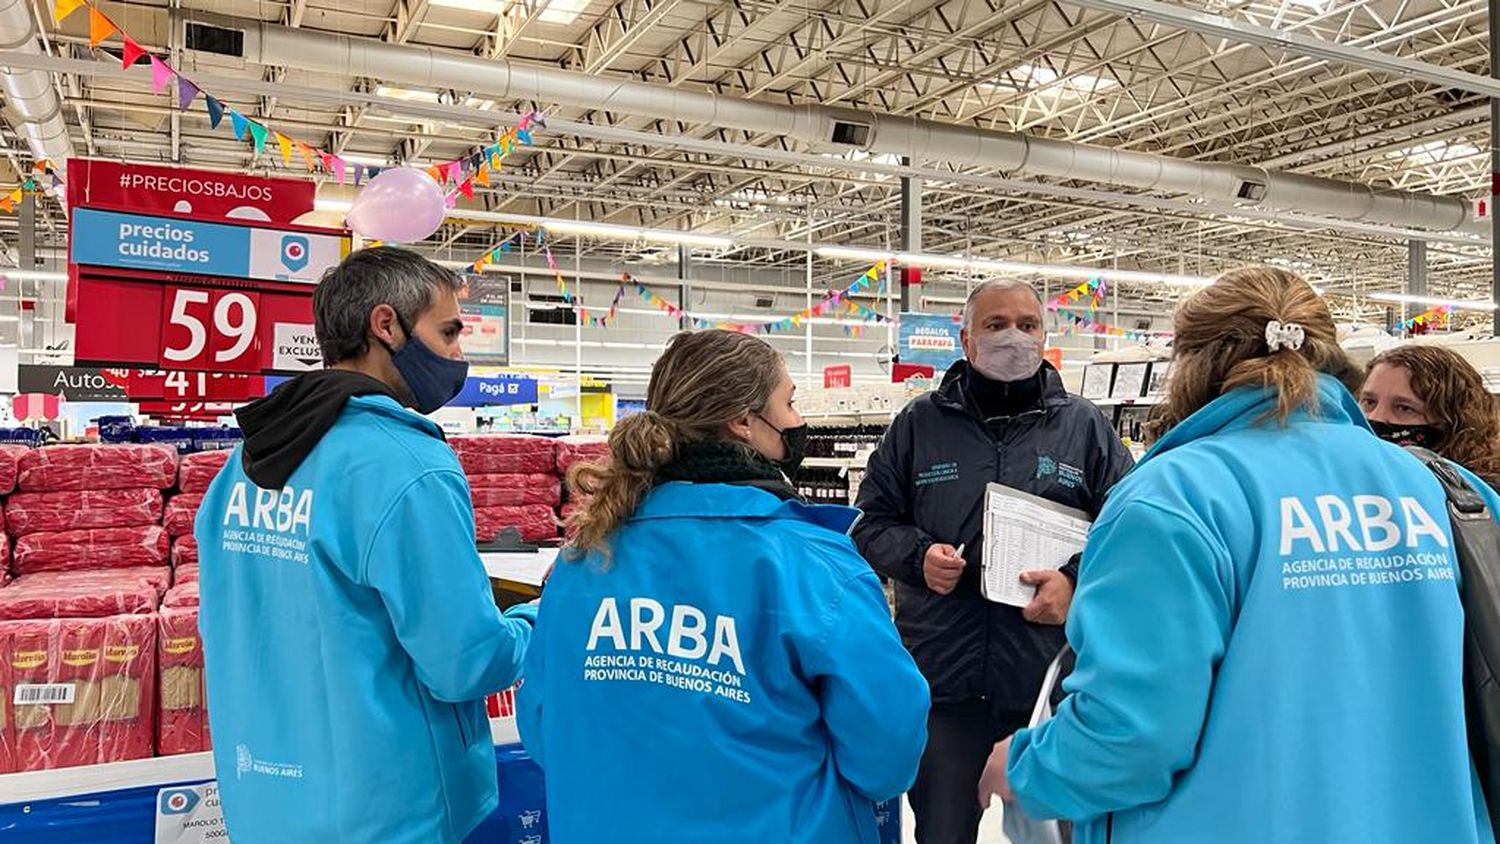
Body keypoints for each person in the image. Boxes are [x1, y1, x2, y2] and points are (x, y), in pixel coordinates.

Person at [980, 266, 1494, 843]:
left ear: (1192, 366)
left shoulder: (1174, 499)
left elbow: (1132, 736)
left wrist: (1027, 768)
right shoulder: (1451, 491)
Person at [516, 329, 930, 843]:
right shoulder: (812, 565)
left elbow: (540, 726)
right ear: (742, 422)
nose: (798, 422)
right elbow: (886, 753)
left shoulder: (585, 558)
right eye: (789, 403)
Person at [196, 247, 537, 843]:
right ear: (387, 326)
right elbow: (465, 664)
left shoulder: (243, 466)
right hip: (389, 810)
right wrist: (540, 617)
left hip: (264, 802)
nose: (459, 354)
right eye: (450, 330)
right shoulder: (407, 465)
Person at [853, 278, 1133, 844]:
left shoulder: (1085, 427)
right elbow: (869, 524)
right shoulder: (918, 425)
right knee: (942, 829)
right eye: (996, 325)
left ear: (1046, 336)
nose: (1014, 338)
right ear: (966, 338)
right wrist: (917, 557)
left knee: (1056, 834)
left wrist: (1075, 580)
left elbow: (1128, 533)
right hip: (943, 684)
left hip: (1046, 684)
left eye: (1027, 326)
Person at [1360, 344, 1500, 490]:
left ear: (1451, 422)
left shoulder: (1484, 497)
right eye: (1370, 402)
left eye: (1404, 408)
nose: (1376, 417)